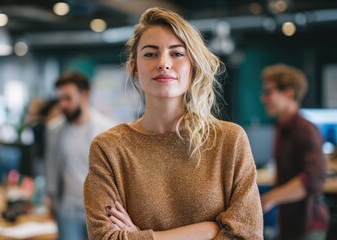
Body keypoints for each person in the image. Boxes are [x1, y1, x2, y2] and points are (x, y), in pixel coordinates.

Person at [84, 7, 263, 240]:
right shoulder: (109, 148)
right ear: (135, 68)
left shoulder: (229, 140)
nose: (163, 63)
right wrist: (210, 230)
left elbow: (247, 235)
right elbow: (104, 238)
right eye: (150, 54)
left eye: (177, 53)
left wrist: (143, 237)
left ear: (193, 66)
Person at [260, 64, 329, 240]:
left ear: (289, 93)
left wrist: (270, 198)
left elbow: (312, 180)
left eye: (269, 92)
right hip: (289, 223)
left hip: (307, 226)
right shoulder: (281, 128)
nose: (263, 98)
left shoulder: (306, 130)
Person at [44, 71, 115, 240]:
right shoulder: (54, 129)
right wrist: (50, 198)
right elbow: (51, 166)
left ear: (84, 96)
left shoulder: (108, 130)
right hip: (67, 208)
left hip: (100, 210)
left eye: (68, 98)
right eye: (60, 98)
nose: (63, 104)